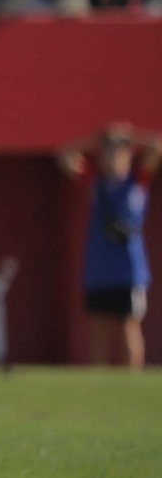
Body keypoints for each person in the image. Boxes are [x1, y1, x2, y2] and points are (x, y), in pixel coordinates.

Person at [58, 124, 159, 370]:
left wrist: (130, 137)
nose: (112, 156)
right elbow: (63, 156)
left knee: (128, 325)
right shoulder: (95, 183)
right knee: (98, 327)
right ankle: (99, 384)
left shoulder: (137, 181)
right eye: (108, 152)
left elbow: (157, 147)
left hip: (128, 269)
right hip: (99, 269)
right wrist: (95, 140)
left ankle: (133, 381)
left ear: (127, 155)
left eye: (118, 152)